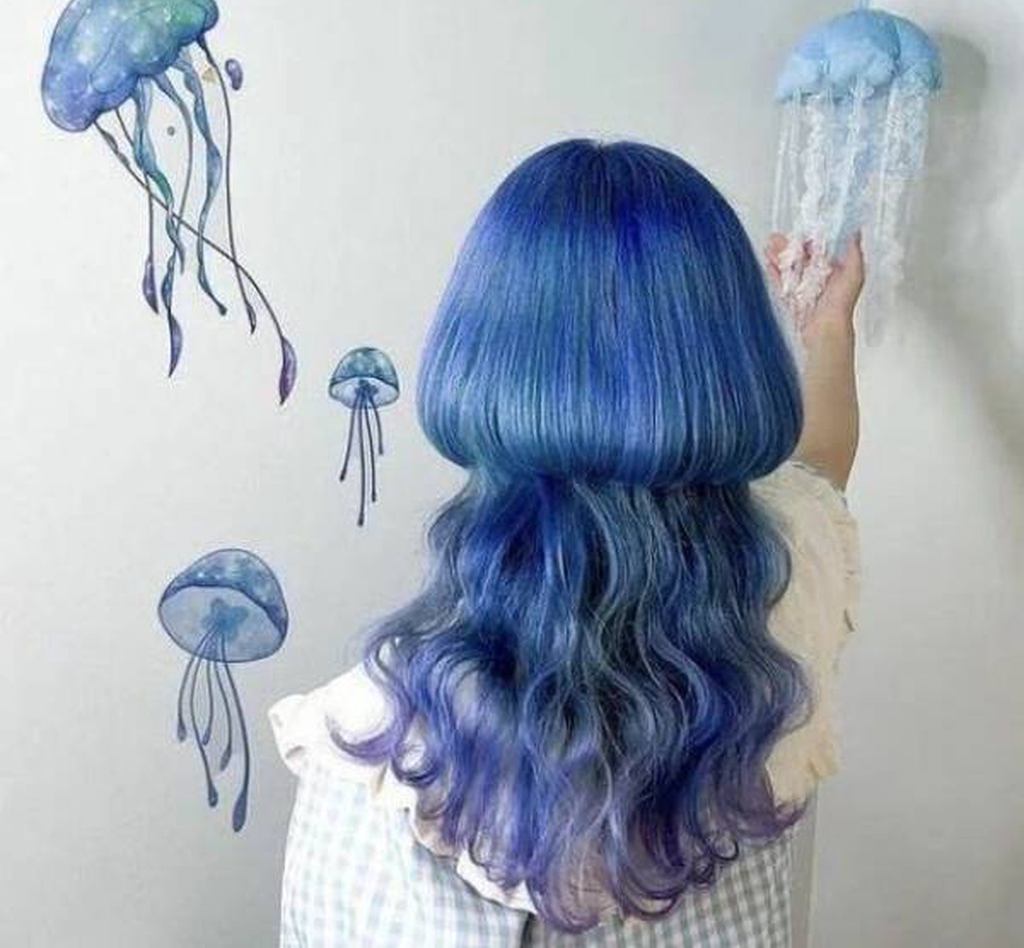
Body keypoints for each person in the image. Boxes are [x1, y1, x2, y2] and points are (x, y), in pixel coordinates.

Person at [270, 138, 862, 947]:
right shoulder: (794, 581)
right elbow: (824, 466)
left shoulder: (386, 752)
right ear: (733, 371)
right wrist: (829, 329)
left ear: (482, 358)